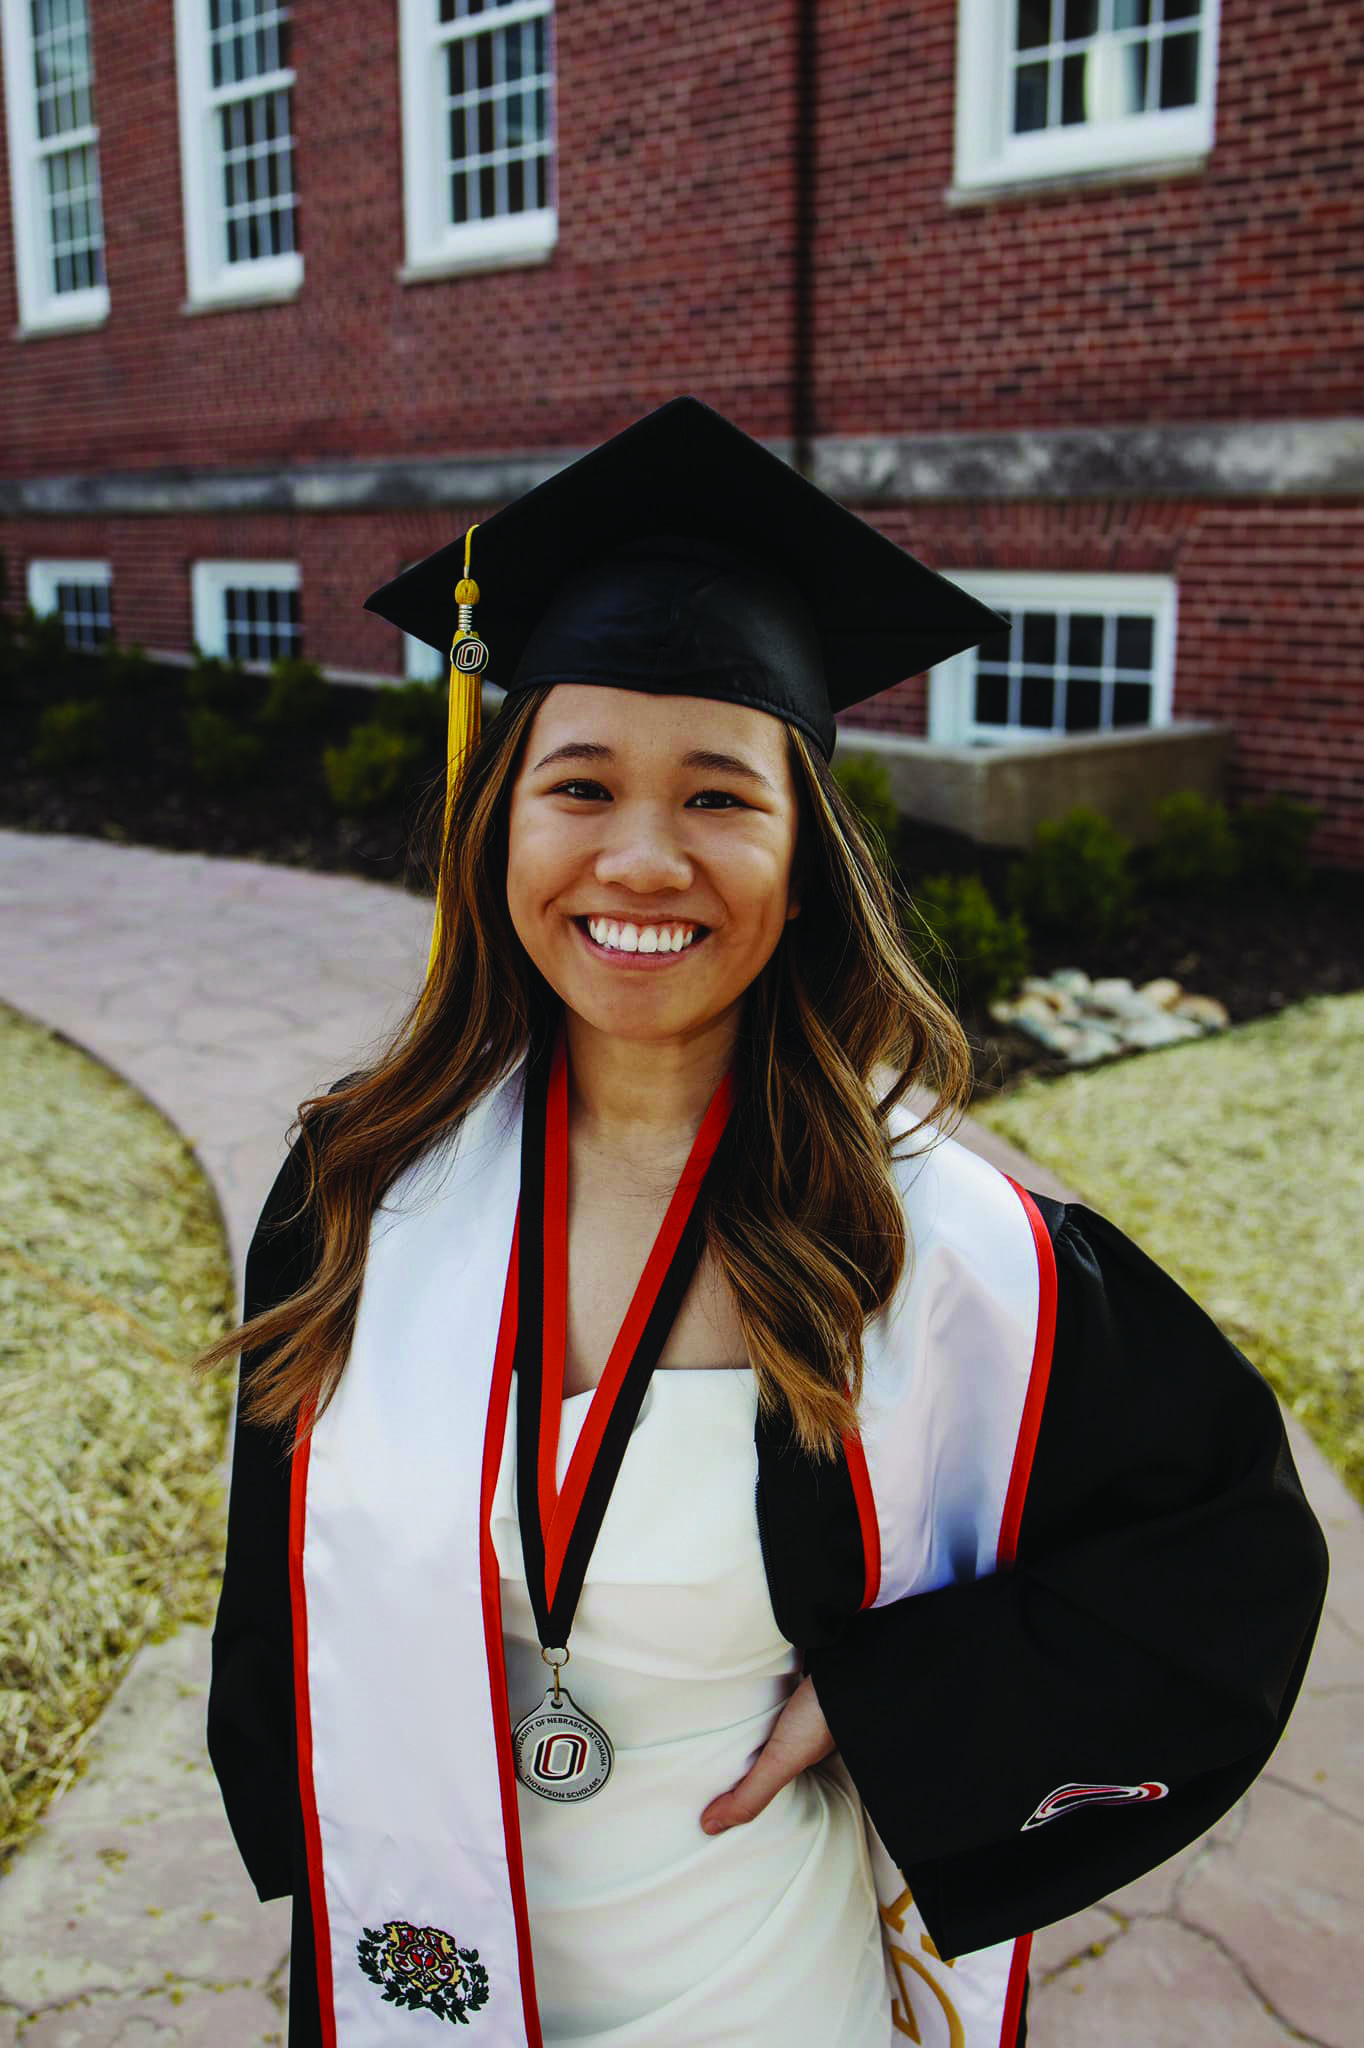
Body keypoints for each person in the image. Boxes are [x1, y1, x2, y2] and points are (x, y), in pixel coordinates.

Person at [196, 397, 1328, 2048]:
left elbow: (1230, 1559)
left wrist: (909, 1709)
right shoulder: (358, 1197)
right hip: (418, 1974)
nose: (641, 857)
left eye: (721, 797)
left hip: (761, 1992)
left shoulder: (958, 1260)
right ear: (496, 824)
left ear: (804, 863)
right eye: (576, 785)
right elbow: (281, 1617)